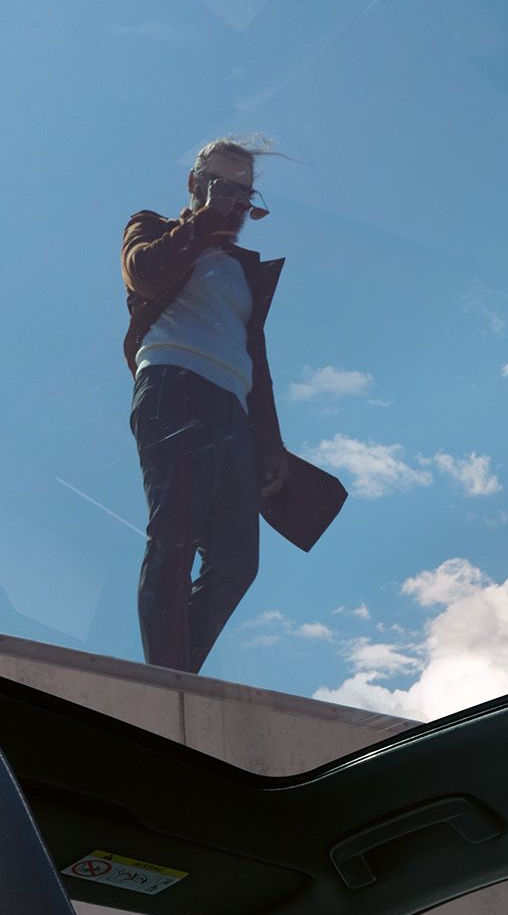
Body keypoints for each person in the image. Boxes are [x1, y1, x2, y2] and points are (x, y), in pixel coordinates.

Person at [121, 138, 345, 673]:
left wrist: (269, 444)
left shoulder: (243, 272)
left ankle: (176, 677)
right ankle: (166, 682)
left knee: (237, 561)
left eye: (244, 192)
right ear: (195, 183)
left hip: (230, 409)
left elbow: (256, 369)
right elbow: (143, 273)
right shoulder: (152, 227)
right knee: (174, 533)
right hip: (172, 387)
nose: (236, 202)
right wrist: (203, 221)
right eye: (223, 185)